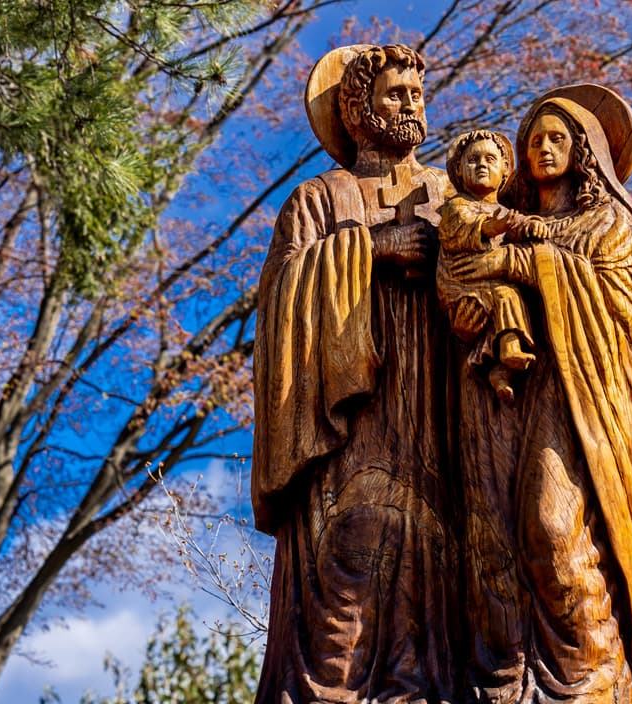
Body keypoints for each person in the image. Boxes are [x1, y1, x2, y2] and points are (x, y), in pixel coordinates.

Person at [451, 85, 632, 704]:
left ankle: (591, 678)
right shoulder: (503, 224)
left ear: (584, 151)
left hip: (588, 406)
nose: (543, 148)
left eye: (557, 138)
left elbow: (631, 307)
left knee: (554, 526)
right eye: (533, 140)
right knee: (505, 538)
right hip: (516, 399)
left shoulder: (612, 224)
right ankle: (530, 676)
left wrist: (530, 265)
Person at [251, 44, 457, 704]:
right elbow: (283, 300)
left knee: (438, 564)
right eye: (395, 94)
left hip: (440, 410)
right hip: (350, 423)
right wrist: (370, 249)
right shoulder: (318, 199)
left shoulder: (455, 193)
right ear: (357, 109)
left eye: (417, 94)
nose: (410, 106)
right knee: (353, 549)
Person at [437, 129, 544, 401]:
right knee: (506, 295)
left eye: (490, 159)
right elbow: (466, 228)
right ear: (459, 172)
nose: (481, 164)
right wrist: (497, 226)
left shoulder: (507, 212)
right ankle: (509, 348)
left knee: (507, 296)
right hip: (462, 295)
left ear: (505, 171)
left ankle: (499, 373)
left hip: (489, 298)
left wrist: (532, 225)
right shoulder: (457, 206)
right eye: (472, 160)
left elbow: (518, 225)